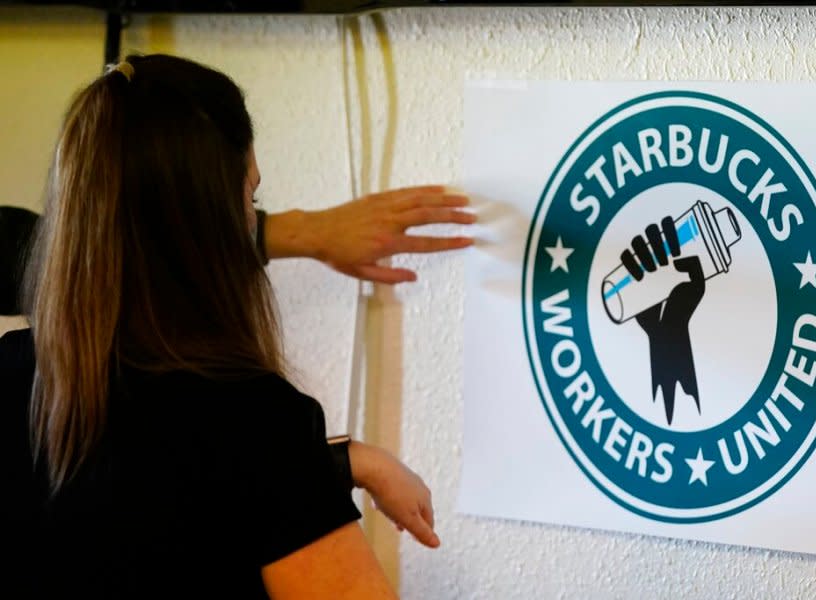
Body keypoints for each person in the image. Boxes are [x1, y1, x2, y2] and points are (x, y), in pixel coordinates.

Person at [0, 54, 474, 599]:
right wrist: (302, 461)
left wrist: (332, 462)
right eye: (250, 198)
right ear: (210, 226)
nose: (251, 220)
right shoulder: (254, 423)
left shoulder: (13, 375)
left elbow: (148, 476)